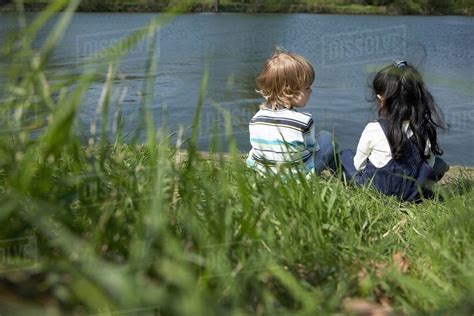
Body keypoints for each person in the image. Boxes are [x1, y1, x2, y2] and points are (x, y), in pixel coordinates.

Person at [339, 60, 449, 202]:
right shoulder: (423, 129)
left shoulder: (373, 128)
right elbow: (430, 163)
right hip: (412, 193)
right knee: (439, 164)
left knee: (344, 155)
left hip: (378, 190)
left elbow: (358, 165)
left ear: (381, 99)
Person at [246, 49, 335, 176]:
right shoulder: (304, 120)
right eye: (307, 87)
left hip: (265, 175)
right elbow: (313, 149)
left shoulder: (256, 119)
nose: (311, 91)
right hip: (298, 178)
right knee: (327, 138)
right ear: (290, 91)